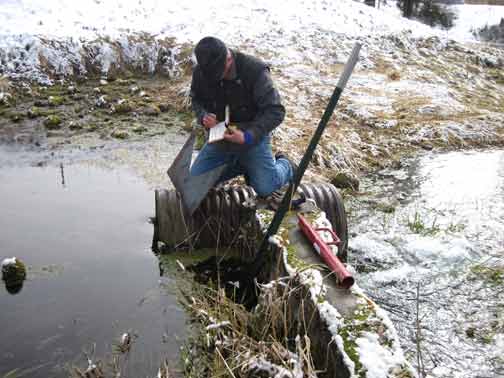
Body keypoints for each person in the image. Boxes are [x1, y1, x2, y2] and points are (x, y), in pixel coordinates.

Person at [189, 36, 295, 197]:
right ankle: (242, 165)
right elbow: (196, 99)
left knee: (265, 188)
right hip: (220, 137)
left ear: (229, 59)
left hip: (251, 137)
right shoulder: (202, 72)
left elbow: (275, 111)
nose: (215, 78)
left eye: (218, 74)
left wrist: (248, 136)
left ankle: (286, 165)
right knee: (194, 183)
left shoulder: (255, 71)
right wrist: (203, 116)